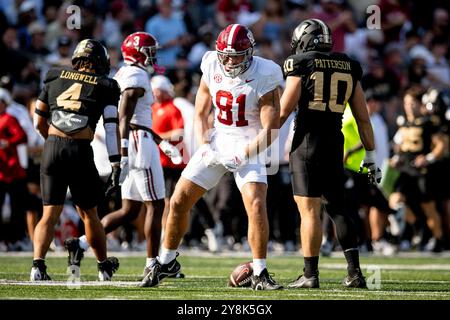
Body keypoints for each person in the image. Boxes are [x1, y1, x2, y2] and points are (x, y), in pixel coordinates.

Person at [142, 23, 283, 290]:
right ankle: (167, 261)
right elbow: (201, 108)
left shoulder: (265, 73)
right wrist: (205, 140)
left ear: (250, 53)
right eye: (225, 54)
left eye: (235, 55)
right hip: (219, 139)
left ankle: (260, 272)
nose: (229, 60)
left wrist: (245, 153)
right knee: (179, 199)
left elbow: (270, 128)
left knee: (255, 203)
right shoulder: (211, 64)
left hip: (249, 142)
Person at [63, 32, 182, 283]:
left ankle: (82, 244)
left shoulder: (124, 73)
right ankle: (153, 264)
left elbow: (134, 119)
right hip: (138, 144)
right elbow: (126, 118)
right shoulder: (137, 75)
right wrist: (125, 153)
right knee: (156, 205)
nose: (153, 55)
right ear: (138, 51)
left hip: (139, 140)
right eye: (149, 50)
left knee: (130, 210)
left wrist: (161, 142)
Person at [279, 19, 381, 288]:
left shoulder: (300, 64)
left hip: (307, 144)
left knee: (309, 212)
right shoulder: (349, 65)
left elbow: (283, 111)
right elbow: (363, 118)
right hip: (335, 145)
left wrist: (258, 138)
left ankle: (310, 275)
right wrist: (370, 155)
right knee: (338, 209)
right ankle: (355, 273)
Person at [31, 39, 122, 281]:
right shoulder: (107, 85)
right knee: (89, 214)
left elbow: (38, 121)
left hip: (52, 146)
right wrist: (116, 162)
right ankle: (103, 268)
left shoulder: (53, 75)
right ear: (100, 61)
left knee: (49, 213)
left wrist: (52, 141)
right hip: (79, 150)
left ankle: (37, 267)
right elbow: (111, 127)